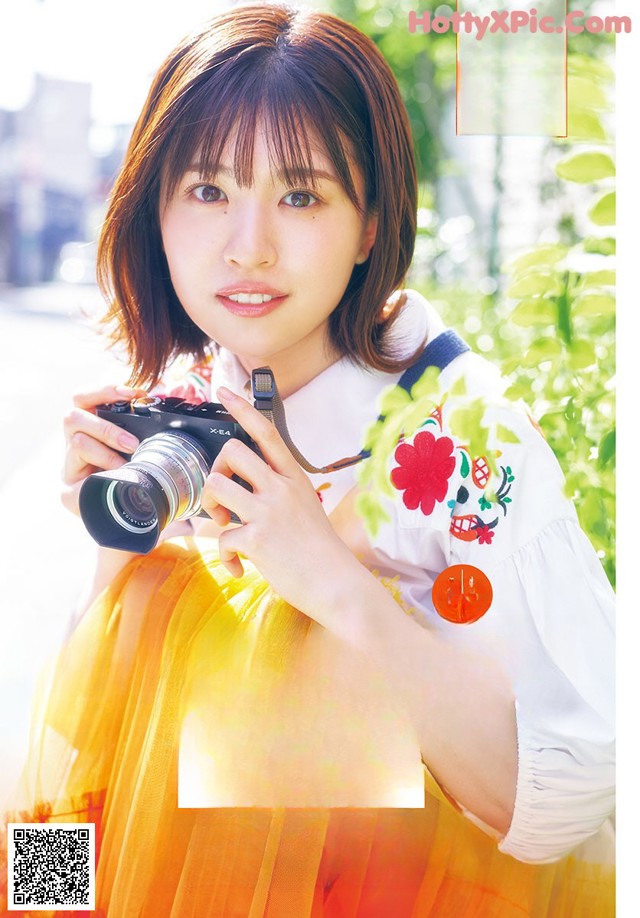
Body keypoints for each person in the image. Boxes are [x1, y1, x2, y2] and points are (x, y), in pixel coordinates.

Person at [6, 3, 614, 915]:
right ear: (154, 209)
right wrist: (119, 563)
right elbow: (87, 763)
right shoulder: (173, 408)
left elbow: (561, 807)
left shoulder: (460, 445)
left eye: (300, 195)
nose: (248, 246)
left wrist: (332, 582)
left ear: (370, 223)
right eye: (208, 191)